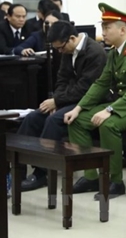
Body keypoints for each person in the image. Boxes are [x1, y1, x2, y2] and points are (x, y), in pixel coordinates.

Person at [64, 3, 126, 200]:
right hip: (124, 103)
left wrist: (109, 109)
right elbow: (101, 83)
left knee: (108, 124)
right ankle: (91, 176)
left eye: (107, 28)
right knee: (76, 121)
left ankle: (115, 181)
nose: (103, 33)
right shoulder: (114, 52)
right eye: (102, 27)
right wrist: (79, 107)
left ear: (122, 30)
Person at [16, 21, 106, 191]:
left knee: (54, 121)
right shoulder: (68, 49)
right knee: (33, 117)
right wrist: (56, 101)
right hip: (70, 99)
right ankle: (16, 171)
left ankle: (41, 172)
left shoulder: (95, 52)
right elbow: (62, 78)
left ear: (71, 38)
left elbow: (86, 88)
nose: (59, 51)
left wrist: (58, 101)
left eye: (60, 48)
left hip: (90, 100)